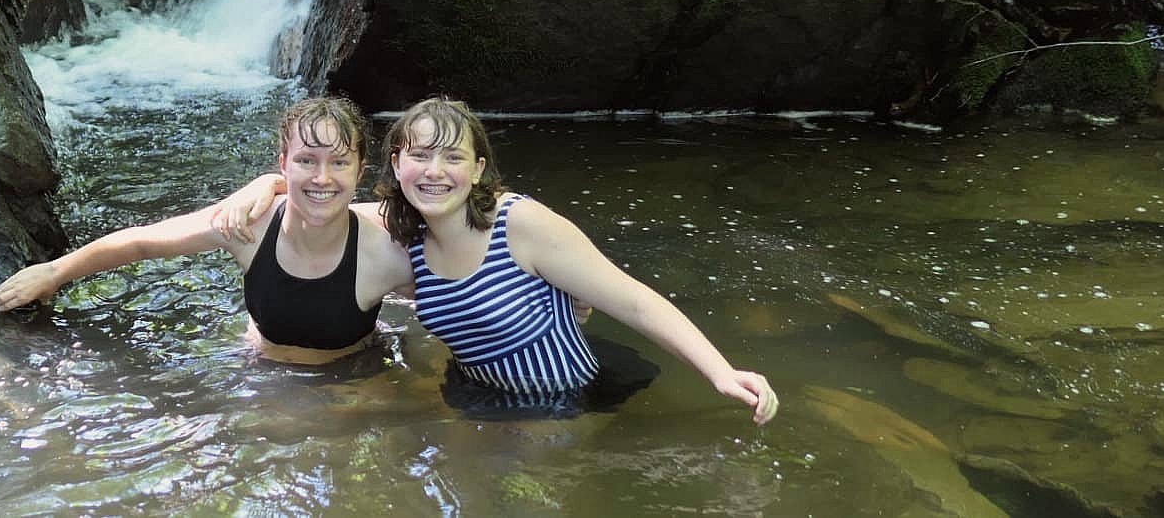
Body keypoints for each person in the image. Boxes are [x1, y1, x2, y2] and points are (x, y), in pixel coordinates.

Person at [213, 96, 778, 424]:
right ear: (395, 166)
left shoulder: (522, 225)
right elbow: (321, 199)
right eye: (421, 156)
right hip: (470, 394)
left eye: (452, 157)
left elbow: (632, 298)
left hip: (566, 395)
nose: (435, 171)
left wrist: (720, 371)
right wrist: (268, 185)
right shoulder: (402, 232)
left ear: (478, 168)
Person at [0, 96, 415, 364]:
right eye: (307, 161)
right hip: (258, 369)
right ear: (283, 163)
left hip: (355, 381)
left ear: (361, 170)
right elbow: (142, 241)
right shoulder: (248, 224)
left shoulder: (387, 247)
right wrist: (53, 273)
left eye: (339, 163)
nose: (323, 177)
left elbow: (459, 283)